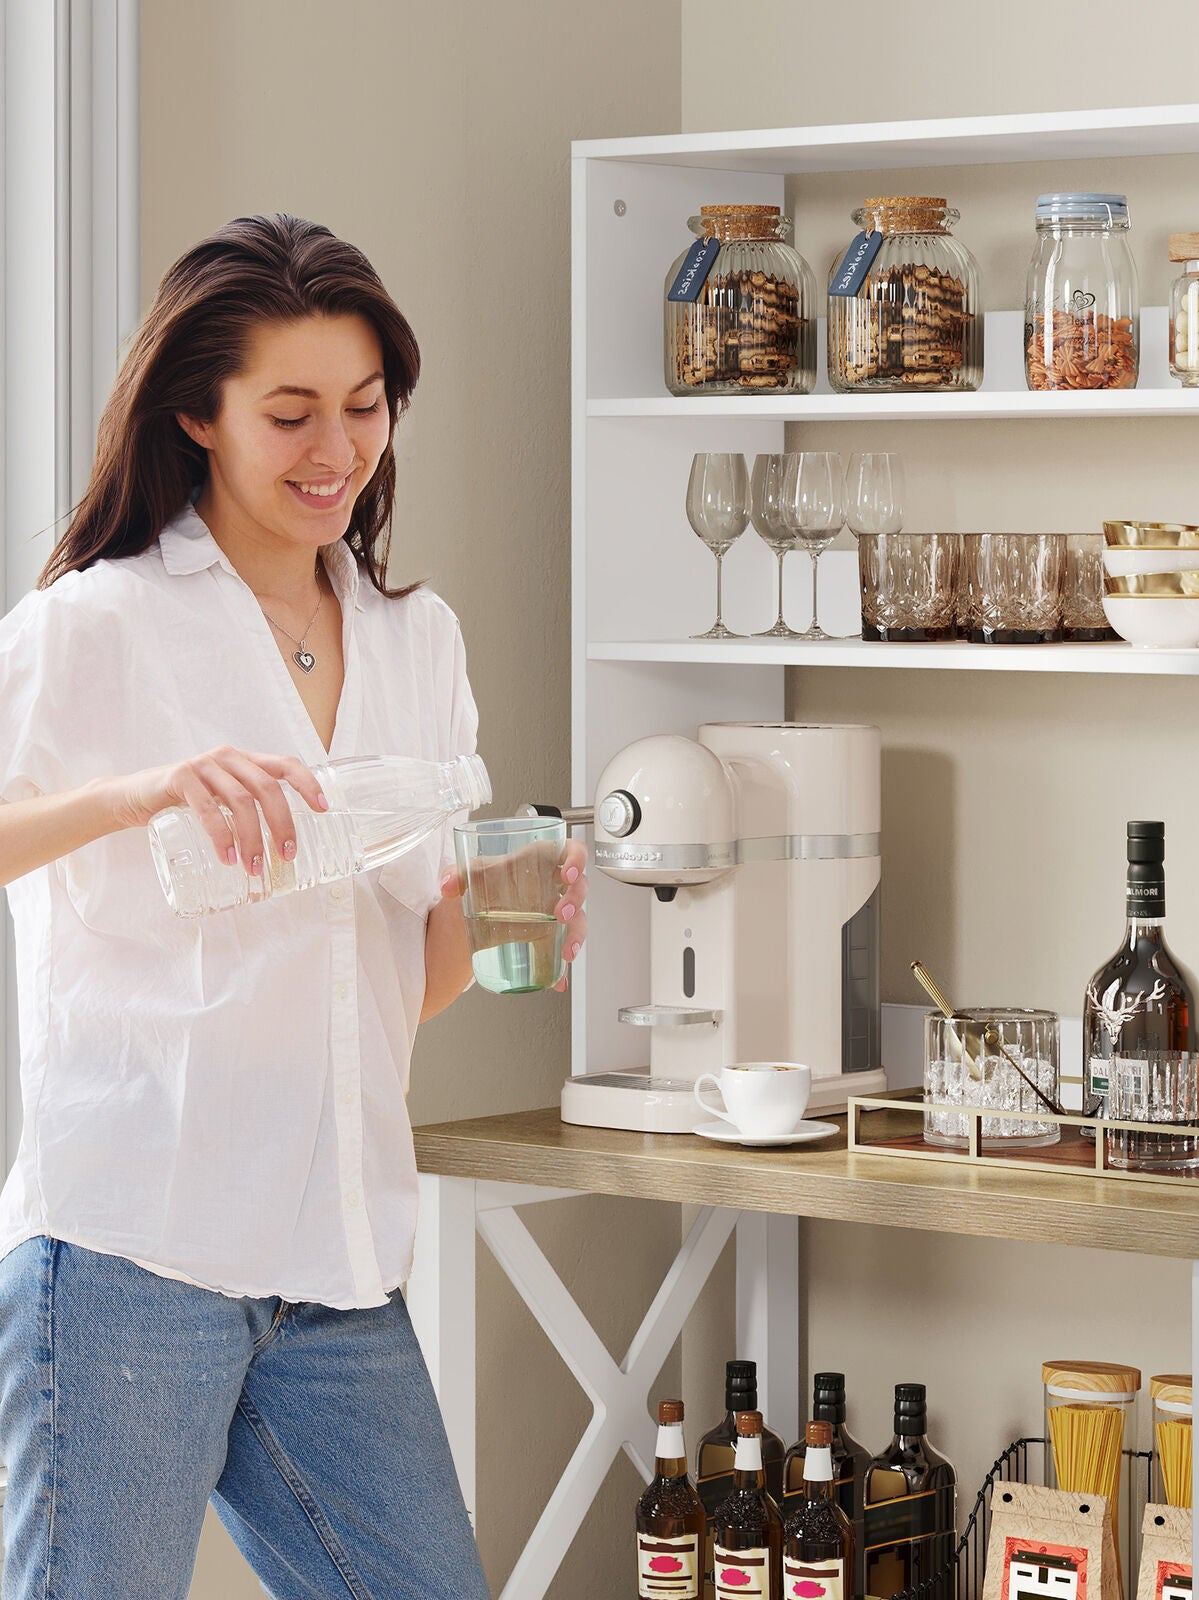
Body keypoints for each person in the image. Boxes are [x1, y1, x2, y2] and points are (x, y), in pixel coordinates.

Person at [0, 213, 588, 1598]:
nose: (338, 449)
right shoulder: (97, 627)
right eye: (291, 413)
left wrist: (515, 924)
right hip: (131, 1254)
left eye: (366, 407)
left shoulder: (414, 639)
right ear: (198, 414)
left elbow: (400, 976)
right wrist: (142, 794)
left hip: (336, 1261)